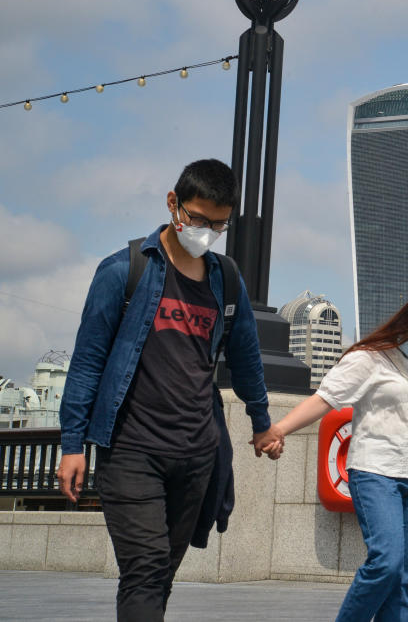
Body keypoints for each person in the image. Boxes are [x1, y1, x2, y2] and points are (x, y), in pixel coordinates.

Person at [56, 158, 280, 621]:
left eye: (219, 225)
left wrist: (262, 423)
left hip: (197, 453)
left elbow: (246, 359)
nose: (206, 231)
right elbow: (86, 363)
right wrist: (72, 443)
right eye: (198, 219)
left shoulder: (226, 279)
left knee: (161, 575)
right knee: (145, 567)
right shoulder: (124, 271)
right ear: (173, 204)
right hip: (132, 451)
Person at [257, 291, 408, 622]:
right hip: (376, 471)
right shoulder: (369, 358)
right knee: (386, 561)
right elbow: (325, 399)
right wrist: (278, 430)